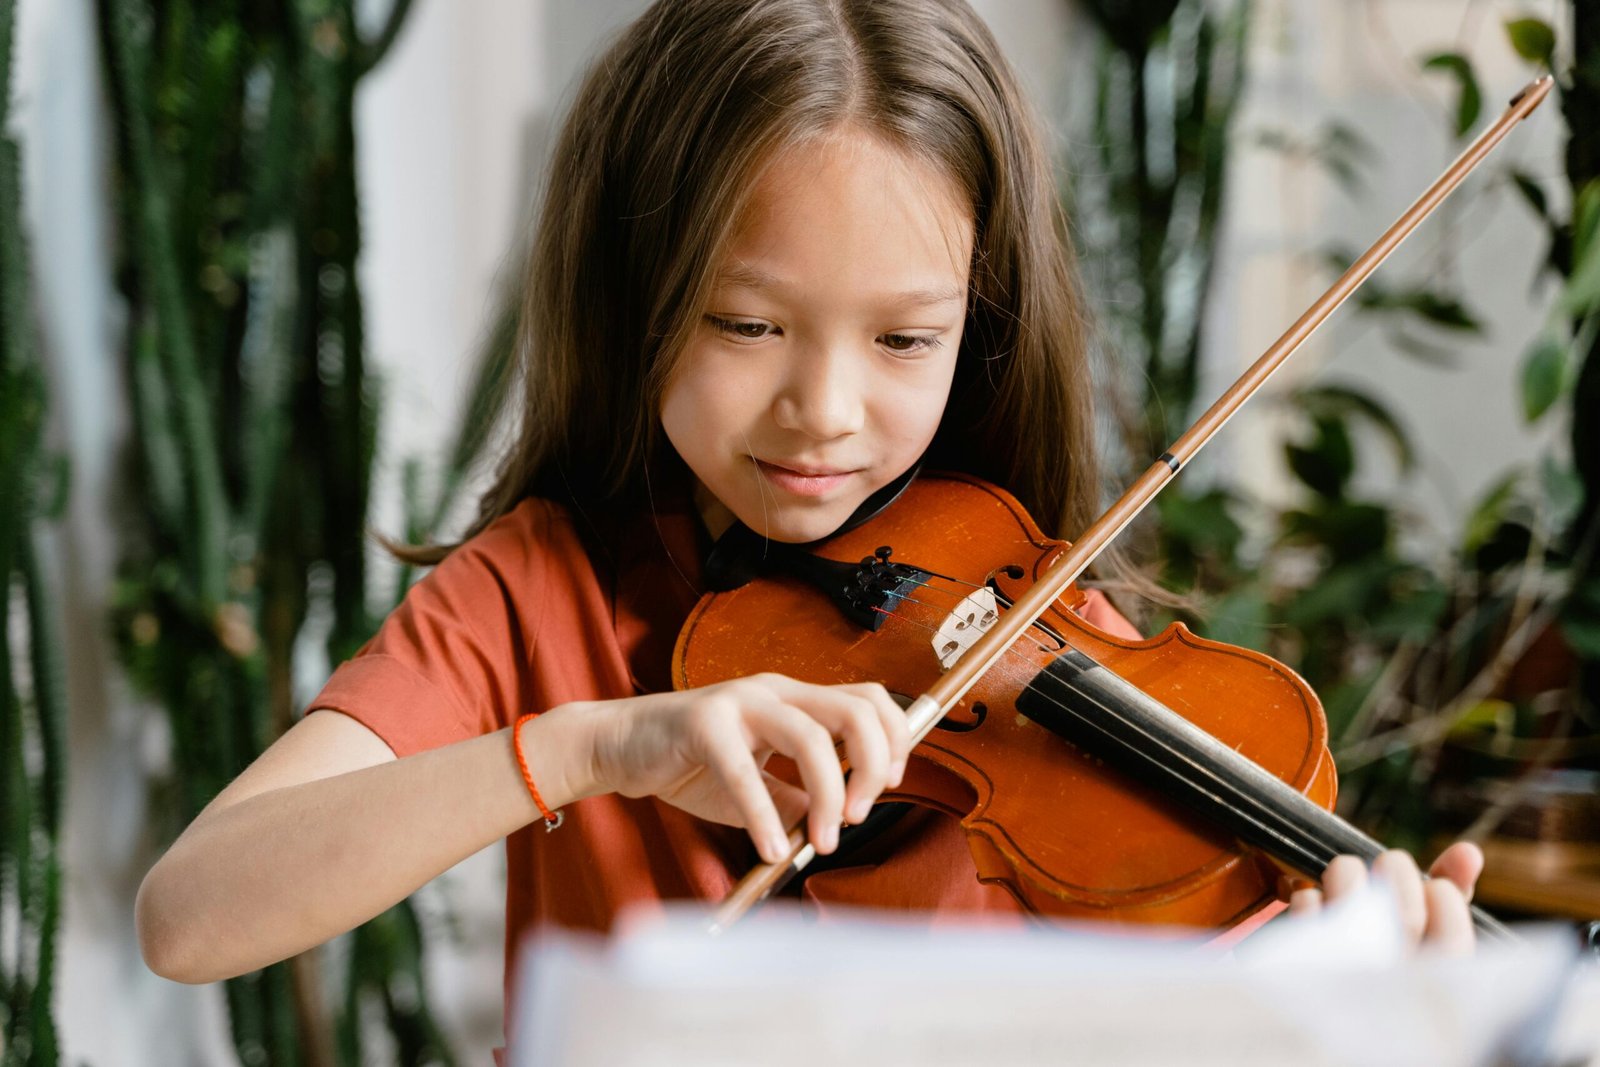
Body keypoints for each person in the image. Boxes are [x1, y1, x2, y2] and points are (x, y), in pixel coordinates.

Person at [135, 0, 1485, 1048]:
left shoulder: (1015, 615)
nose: (823, 411)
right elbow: (194, 915)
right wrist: (597, 746)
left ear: (985, 328)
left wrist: (1342, 998)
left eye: (906, 337)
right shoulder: (529, 595)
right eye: (746, 324)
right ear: (636, 292)